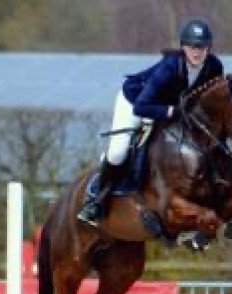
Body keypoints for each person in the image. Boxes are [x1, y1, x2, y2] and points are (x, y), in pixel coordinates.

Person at [77, 19, 224, 226]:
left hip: (169, 108)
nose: (197, 52)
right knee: (118, 151)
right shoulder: (170, 67)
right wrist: (170, 111)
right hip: (136, 101)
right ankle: (96, 199)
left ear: (209, 48)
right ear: (183, 47)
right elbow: (141, 106)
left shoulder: (213, 67)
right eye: (193, 47)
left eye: (202, 47)